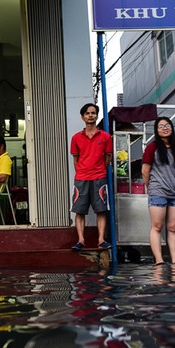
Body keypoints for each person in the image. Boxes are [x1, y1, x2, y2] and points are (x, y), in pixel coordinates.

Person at [70, 103, 113, 251]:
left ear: (97, 115)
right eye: (87, 113)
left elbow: (108, 157)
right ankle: (81, 240)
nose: (90, 115)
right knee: (79, 210)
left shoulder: (106, 137)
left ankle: (101, 240)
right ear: (82, 117)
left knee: (101, 210)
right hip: (81, 179)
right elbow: (76, 160)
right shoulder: (76, 138)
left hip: (99, 178)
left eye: (93, 113)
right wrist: (82, 172)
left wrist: (100, 170)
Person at [142, 117, 175, 264]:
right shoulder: (152, 147)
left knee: (173, 228)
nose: (165, 128)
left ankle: (174, 261)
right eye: (161, 126)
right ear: (156, 130)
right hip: (157, 191)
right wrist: (150, 187)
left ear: (172, 128)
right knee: (157, 226)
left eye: (167, 125)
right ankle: (159, 260)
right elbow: (145, 170)